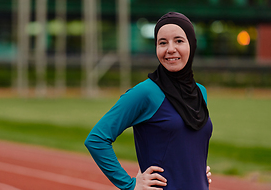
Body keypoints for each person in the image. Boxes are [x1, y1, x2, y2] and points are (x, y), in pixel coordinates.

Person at [84, 12, 213, 190]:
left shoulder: (200, 92)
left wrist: (197, 170)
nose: (170, 49)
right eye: (162, 43)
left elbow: (188, 144)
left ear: (191, 44)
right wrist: (130, 185)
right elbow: (97, 139)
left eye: (179, 41)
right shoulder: (145, 92)